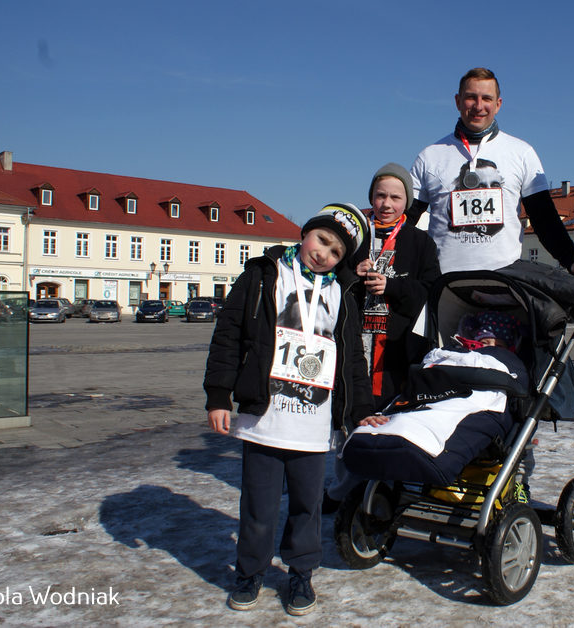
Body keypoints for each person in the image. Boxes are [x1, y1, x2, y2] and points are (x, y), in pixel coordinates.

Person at [204, 203, 375, 615]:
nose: (324, 254)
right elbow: (228, 334)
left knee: (307, 508)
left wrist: (360, 409)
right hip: (264, 420)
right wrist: (218, 395)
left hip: (313, 427)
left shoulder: (343, 293)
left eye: (336, 252)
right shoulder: (266, 275)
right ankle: (250, 573)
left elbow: (353, 358)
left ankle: (301, 573)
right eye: (321, 240)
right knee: (258, 508)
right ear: (306, 233)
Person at [409, 67, 574, 273]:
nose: (479, 106)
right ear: (458, 101)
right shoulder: (430, 156)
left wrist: (572, 261)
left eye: (486, 98)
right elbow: (404, 221)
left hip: (505, 283)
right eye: (471, 97)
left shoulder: (522, 152)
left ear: (498, 105)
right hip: (444, 283)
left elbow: (545, 219)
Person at [341, 311, 528, 487]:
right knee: (417, 407)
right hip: (442, 385)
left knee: (452, 415)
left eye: (499, 346)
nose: (491, 348)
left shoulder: (509, 362)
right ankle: (389, 433)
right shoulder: (455, 353)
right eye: (485, 342)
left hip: (485, 390)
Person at [355, 163, 442, 409]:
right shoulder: (356, 235)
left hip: (397, 349)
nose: (386, 204)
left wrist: (392, 286)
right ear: (371, 197)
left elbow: (430, 291)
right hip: (355, 342)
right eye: (380, 195)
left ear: (407, 201)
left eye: (395, 197)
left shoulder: (420, 241)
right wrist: (353, 275)